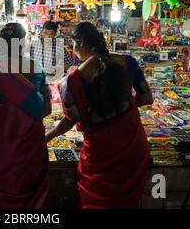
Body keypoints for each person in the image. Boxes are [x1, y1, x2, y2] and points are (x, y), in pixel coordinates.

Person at [46, 22, 153, 209]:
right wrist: (122, 108)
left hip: (100, 154)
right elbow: (146, 97)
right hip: (132, 146)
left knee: (97, 201)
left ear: (81, 44)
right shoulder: (127, 62)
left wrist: (49, 135)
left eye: (73, 44)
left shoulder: (72, 81)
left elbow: (72, 118)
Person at [0, 22, 52, 209]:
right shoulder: (36, 67)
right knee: (31, 192)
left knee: (2, 189)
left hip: (2, 141)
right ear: (22, 42)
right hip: (32, 140)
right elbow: (48, 108)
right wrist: (27, 119)